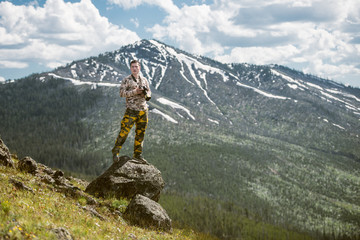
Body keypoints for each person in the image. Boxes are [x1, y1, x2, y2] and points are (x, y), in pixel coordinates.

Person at [112, 59, 151, 164]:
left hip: (143, 110)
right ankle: (115, 151)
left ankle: (137, 155)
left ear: (139, 68)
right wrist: (135, 92)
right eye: (133, 66)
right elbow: (121, 93)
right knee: (124, 132)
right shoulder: (126, 80)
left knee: (140, 134)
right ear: (130, 68)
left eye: (136, 66)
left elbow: (149, 92)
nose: (135, 68)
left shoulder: (144, 80)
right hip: (131, 110)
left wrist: (145, 94)